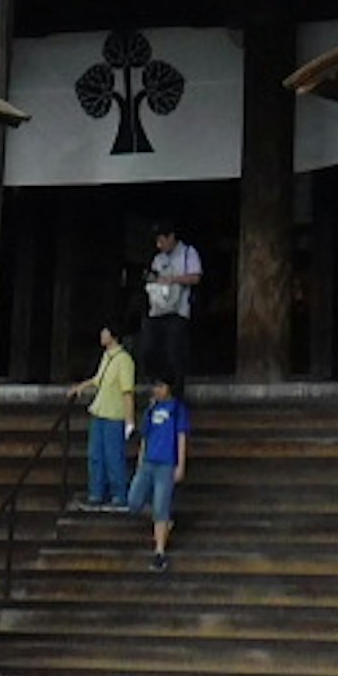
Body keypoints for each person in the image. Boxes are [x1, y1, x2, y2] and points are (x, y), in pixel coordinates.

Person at [74, 324, 139, 510]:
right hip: (100, 412)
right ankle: (96, 493)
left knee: (113, 456)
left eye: (105, 332)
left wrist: (129, 419)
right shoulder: (106, 357)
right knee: (96, 455)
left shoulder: (124, 360)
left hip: (114, 415)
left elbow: (127, 391)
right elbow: (98, 379)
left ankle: (119, 495)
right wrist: (81, 387)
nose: (102, 335)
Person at [139, 221, 202, 393]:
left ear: (171, 237)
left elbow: (195, 277)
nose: (159, 245)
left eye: (161, 240)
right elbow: (154, 277)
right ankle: (157, 384)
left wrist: (173, 280)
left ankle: (175, 391)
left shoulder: (188, 253)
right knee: (149, 348)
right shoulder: (158, 259)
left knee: (174, 352)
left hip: (178, 310)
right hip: (158, 309)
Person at [134, 375, 189, 570]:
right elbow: (145, 435)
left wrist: (180, 464)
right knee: (134, 500)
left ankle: (159, 551)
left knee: (161, 507)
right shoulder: (151, 409)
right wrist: (140, 459)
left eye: (160, 386)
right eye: (154, 386)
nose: (156, 390)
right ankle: (163, 521)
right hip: (149, 462)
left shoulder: (177, 409)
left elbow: (181, 437)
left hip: (166, 463)